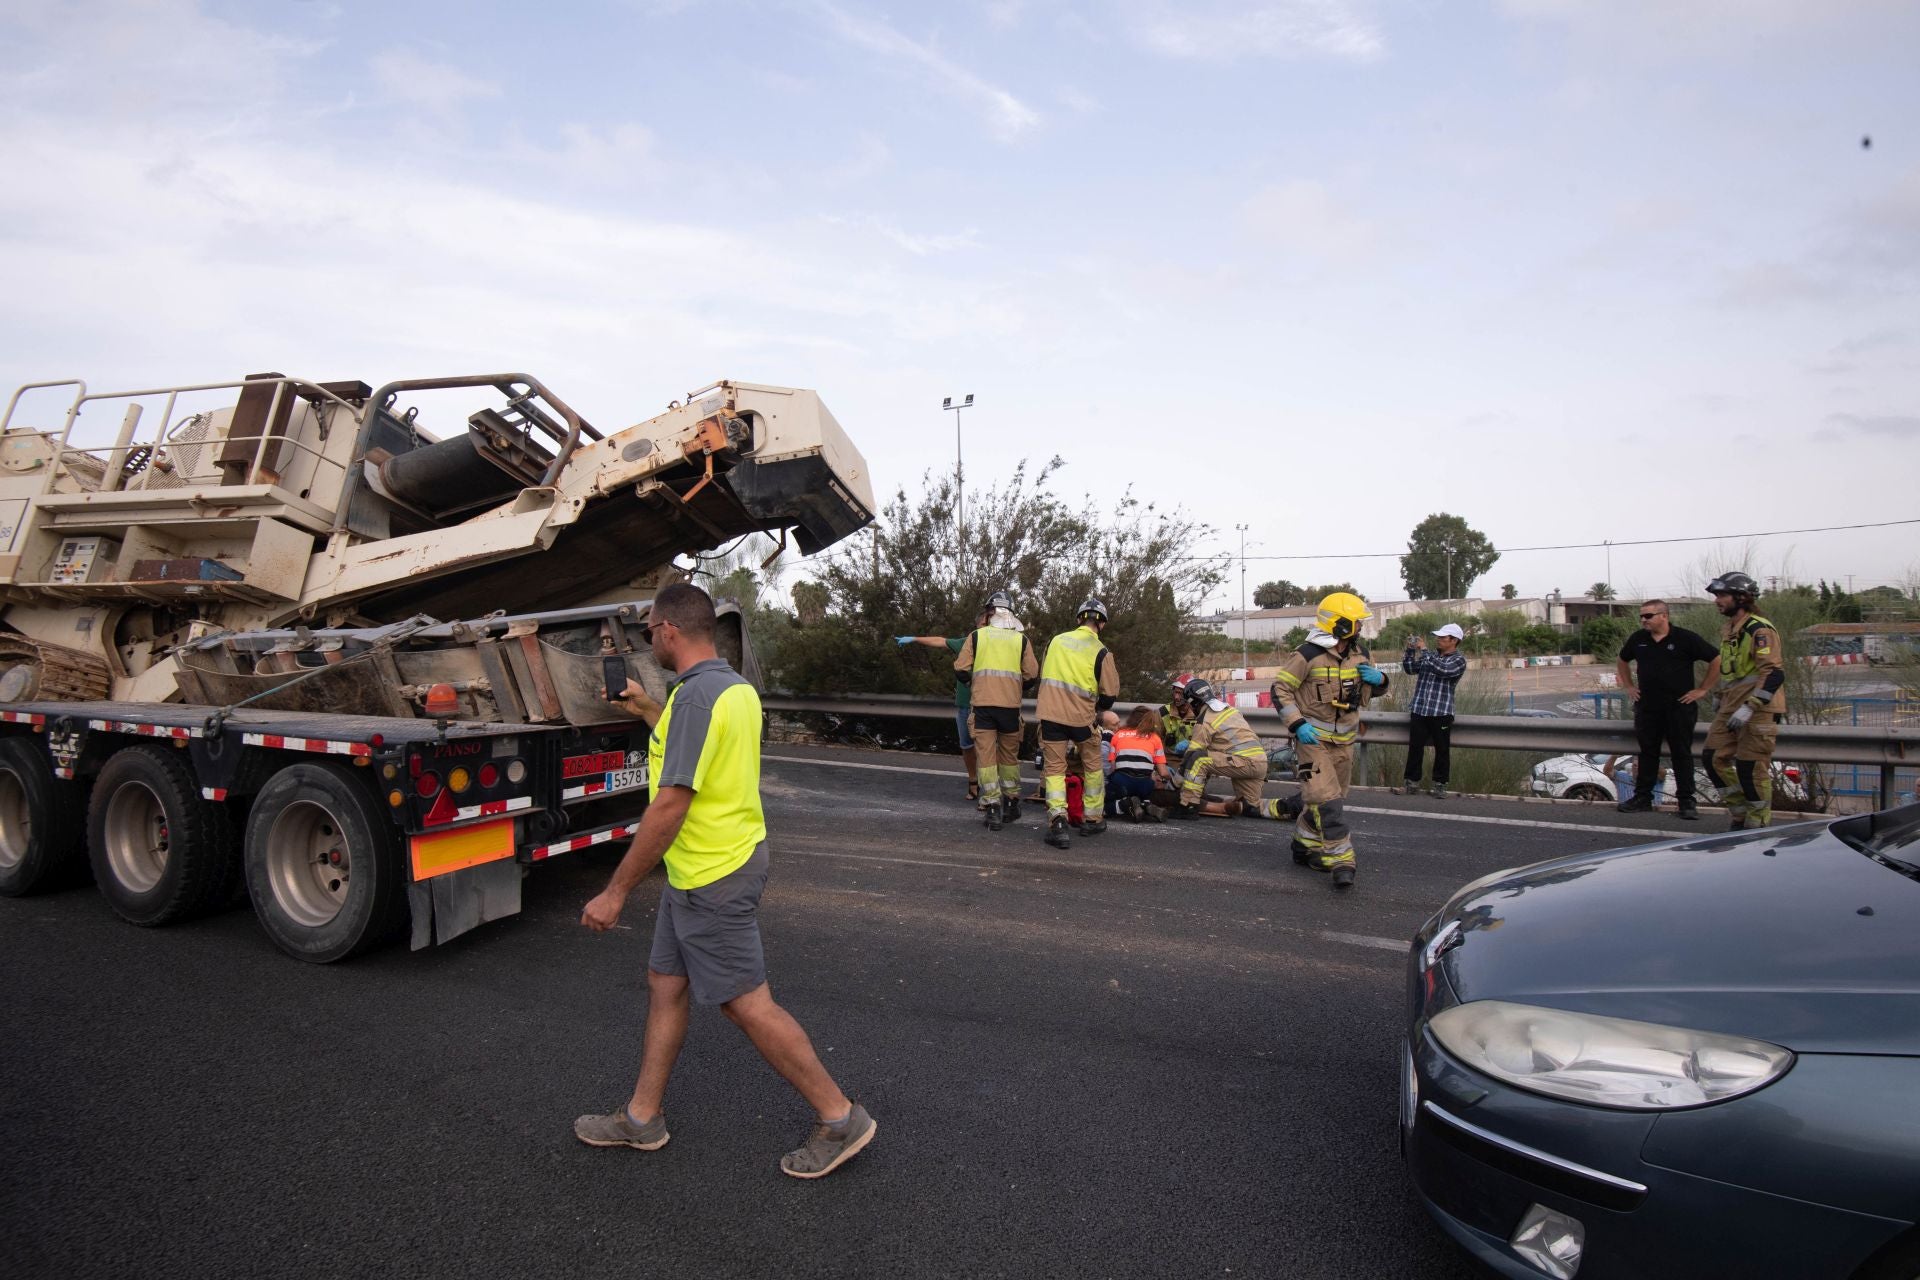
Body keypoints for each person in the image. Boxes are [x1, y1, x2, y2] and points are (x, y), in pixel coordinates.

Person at [575, 583, 875, 1179]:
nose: (648, 641)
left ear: (668, 631)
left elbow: (671, 804)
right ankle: (642, 1117)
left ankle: (840, 1117)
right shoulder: (731, 689)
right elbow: (701, 750)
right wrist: (646, 710)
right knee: (666, 984)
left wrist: (615, 891)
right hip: (711, 864)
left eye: (650, 632)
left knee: (747, 1006)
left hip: (712, 875)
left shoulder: (694, 700)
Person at [1269, 592, 1387, 890]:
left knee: (1328, 799)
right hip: (1313, 741)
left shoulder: (1362, 653)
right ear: (1340, 623)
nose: (1360, 626)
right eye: (1356, 622)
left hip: (1344, 740)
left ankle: (1302, 845)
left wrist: (1381, 680)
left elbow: (1372, 691)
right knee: (1328, 802)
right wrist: (1298, 724)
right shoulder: (1307, 654)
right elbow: (1280, 690)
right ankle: (1342, 858)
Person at [1615, 598, 1719, 820]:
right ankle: (1643, 798)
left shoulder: (1685, 638)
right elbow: (1622, 660)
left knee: (1681, 753)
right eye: (1641, 616)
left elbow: (1716, 658)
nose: (1643, 620)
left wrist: (1703, 690)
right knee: (1647, 753)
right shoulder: (1639, 639)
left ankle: (1686, 802)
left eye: (1648, 616)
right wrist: (1630, 686)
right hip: (1648, 708)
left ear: (1664, 615)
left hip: (1679, 707)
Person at [1703, 572, 1786, 831]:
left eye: (1722, 595)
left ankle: (1758, 824)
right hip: (1731, 707)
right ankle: (1740, 812)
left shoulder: (1758, 629)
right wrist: (1721, 697)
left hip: (1756, 711)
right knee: (1712, 757)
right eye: (1716, 595)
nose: (1717, 600)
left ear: (1741, 597)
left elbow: (1772, 672)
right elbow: (1734, 673)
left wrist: (1750, 707)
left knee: (1751, 769)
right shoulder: (1729, 630)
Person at [952, 590, 1040, 831]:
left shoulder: (977, 636)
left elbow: (960, 669)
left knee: (987, 759)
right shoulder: (1021, 640)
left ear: (990, 612)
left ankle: (992, 807)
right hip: (1010, 708)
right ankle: (1012, 802)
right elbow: (1032, 674)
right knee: (1009, 758)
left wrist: (973, 684)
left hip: (983, 708)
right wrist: (1015, 688)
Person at [1037, 596, 1120, 849]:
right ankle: (1092, 819)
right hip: (1082, 718)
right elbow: (1109, 696)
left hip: (1050, 715)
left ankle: (1058, 822)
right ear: (1101, 624)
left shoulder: (1055, 641)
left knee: (1054, 769)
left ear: (1078, 620)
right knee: (1093, 764)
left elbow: (1044, 674)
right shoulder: (1102, 652)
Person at [897, 616, 988, 806]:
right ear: (976, 625)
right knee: (967, 746)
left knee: (986, 749)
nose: (985, 627)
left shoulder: (997, 645)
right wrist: (914, 638)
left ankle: (989, 790)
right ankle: (973, 781)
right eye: (982, 624)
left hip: (987, 704)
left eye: (988, 624)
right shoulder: (967, 642)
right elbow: (940, 641)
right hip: (965, 704)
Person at [1164, 677, 1271, 820]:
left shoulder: (1204, 720)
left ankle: (1188, 806)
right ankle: (1290, 806)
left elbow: (1191, 756)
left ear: (1193, 703)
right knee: (1250, 808)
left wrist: (1173, 785)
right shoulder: (1230, 710)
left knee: (1198, 759)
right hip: (1260, 763)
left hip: (1243, 762)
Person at [1397, 623, 1469, 798]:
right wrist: (1410, 651)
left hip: (1441, 712)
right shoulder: (1430, 656)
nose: (1439, 639)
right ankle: (1411, 783)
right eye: (1439, 636)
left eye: (1443, 637)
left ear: (1454, 641)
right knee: (1415, 747)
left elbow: (1443, 670)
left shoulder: (1458, 660)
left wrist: (1425, 651)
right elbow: (1410, 669)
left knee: (1442, 749)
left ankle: (1440, 784)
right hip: (1420, 710)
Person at [1105, 706, 1169, 822]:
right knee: (1144, 785)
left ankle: (1124, 804)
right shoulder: (1155, 738)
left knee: (1102, 804)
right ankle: (1146, 806)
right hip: (1145, 786)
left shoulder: (1118, 735)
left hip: (1123, 783)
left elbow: (1113, 768)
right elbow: (1164, 772)